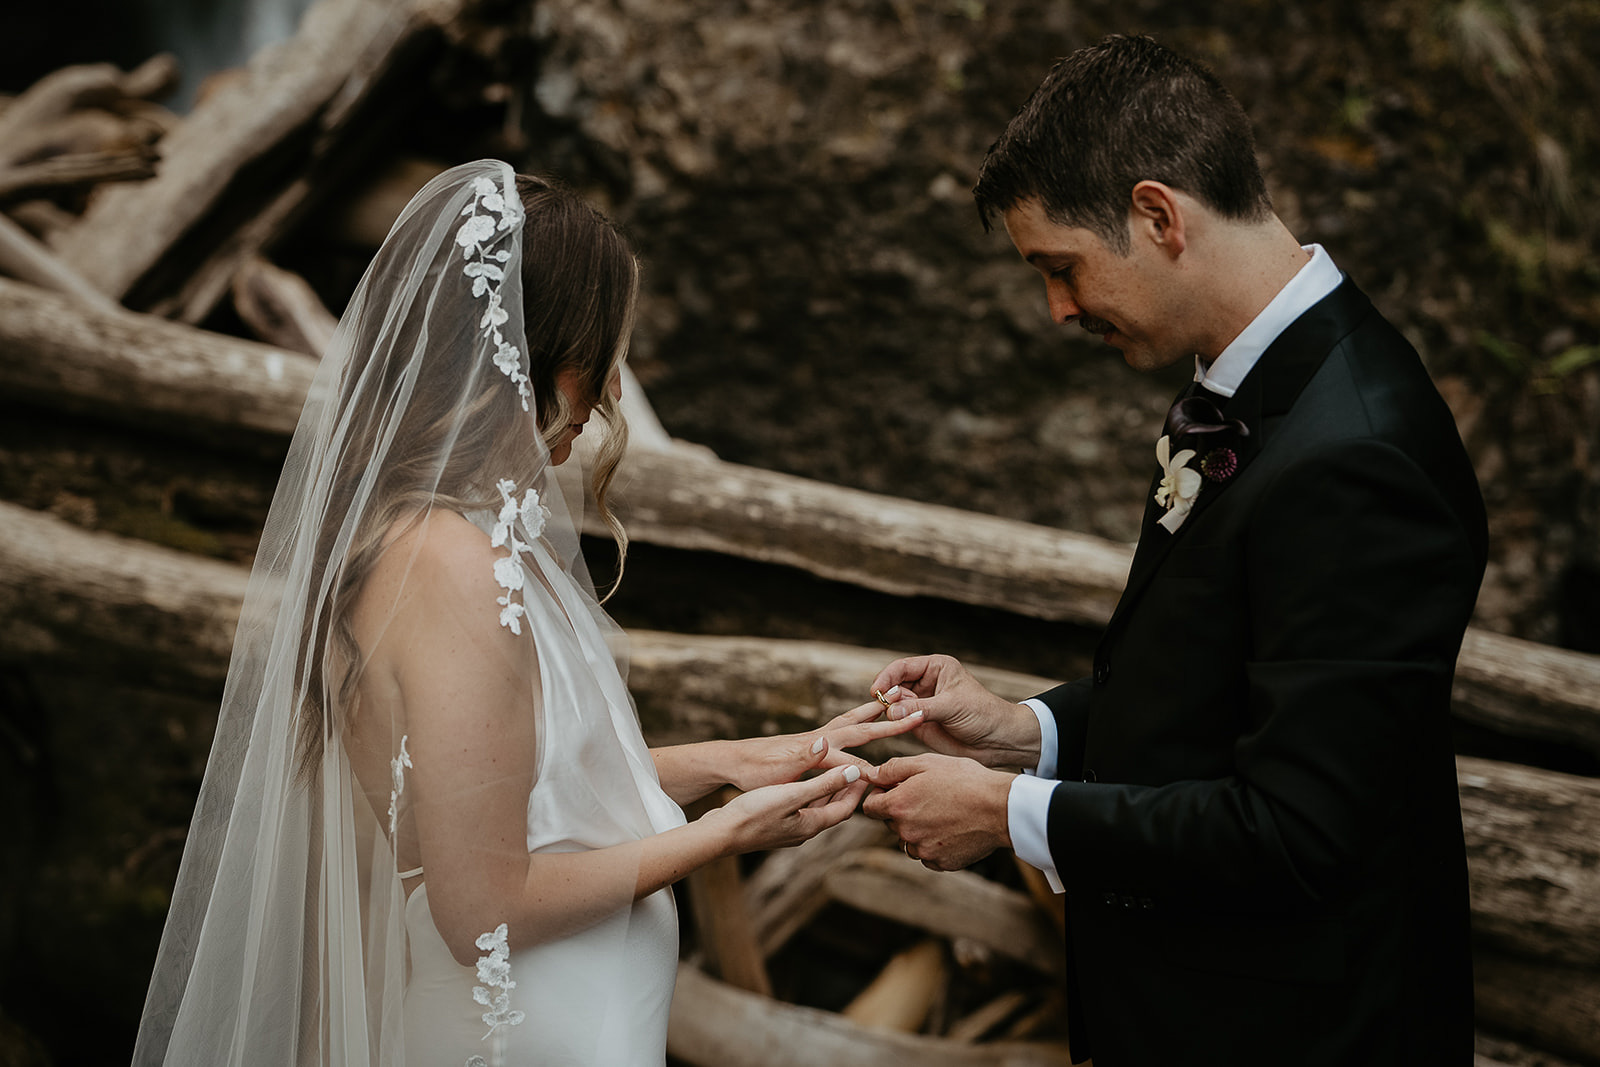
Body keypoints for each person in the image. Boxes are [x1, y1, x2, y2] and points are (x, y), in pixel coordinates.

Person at [131, 160, 922, 1066]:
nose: (610, 394)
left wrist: (739, 762)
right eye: (600, 357)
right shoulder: (448, 566)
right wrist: (725, 835)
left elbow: (514, 795)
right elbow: (482, 905)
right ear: (532, 354)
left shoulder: (473, 540)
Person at [862, 35, 1487, 1067]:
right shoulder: (1258, 389)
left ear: (1157, 215)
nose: (1056, 309)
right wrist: (1024, 729)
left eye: (1058, 268)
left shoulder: (1359, 453)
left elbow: (1293, 830)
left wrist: (1014, 813)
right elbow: (1211, 683)